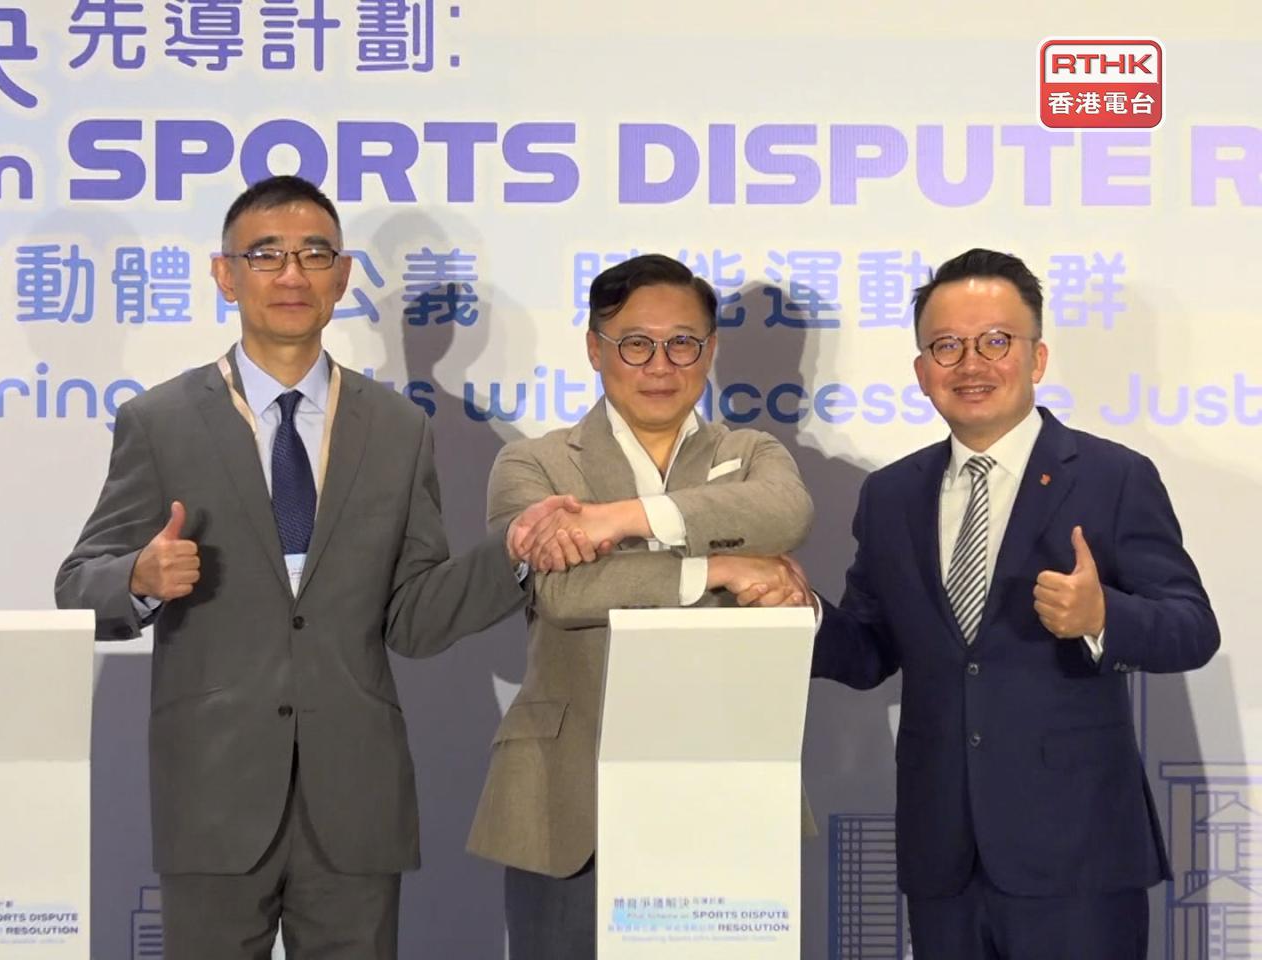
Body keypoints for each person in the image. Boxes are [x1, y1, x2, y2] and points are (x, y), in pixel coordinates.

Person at [54, 174, 569, 960]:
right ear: (225, 274)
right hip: (213, 795)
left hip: (355, 799)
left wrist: (512, 556)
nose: (291, 275)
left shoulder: (399, 428)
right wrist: (137, 578)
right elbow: (77, 581)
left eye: (314, 254)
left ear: (343, 276)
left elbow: (415, 617)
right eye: (266, 255)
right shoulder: (158, 421)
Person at [802, 248, 1219, 959]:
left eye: (996, 341)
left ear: (1037, 357)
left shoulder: (1114, 477)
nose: (972, 363)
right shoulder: (892, 495)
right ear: (921, 370)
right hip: (944, 858)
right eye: (947, 346)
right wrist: (800, 610)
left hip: (1077, 857)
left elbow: (1190, 628)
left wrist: (1102, 619)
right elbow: (869, 649)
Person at [465, 253, 815, 959]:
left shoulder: (750, 453)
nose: (661, 364)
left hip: (726, 781)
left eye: (683, 343)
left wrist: (620, 521)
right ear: (596, 349)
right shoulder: (535, 464)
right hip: (568, 798)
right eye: (636, 343)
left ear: (710, 350)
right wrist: (722, 565)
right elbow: (562, 590)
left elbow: (785, 512)